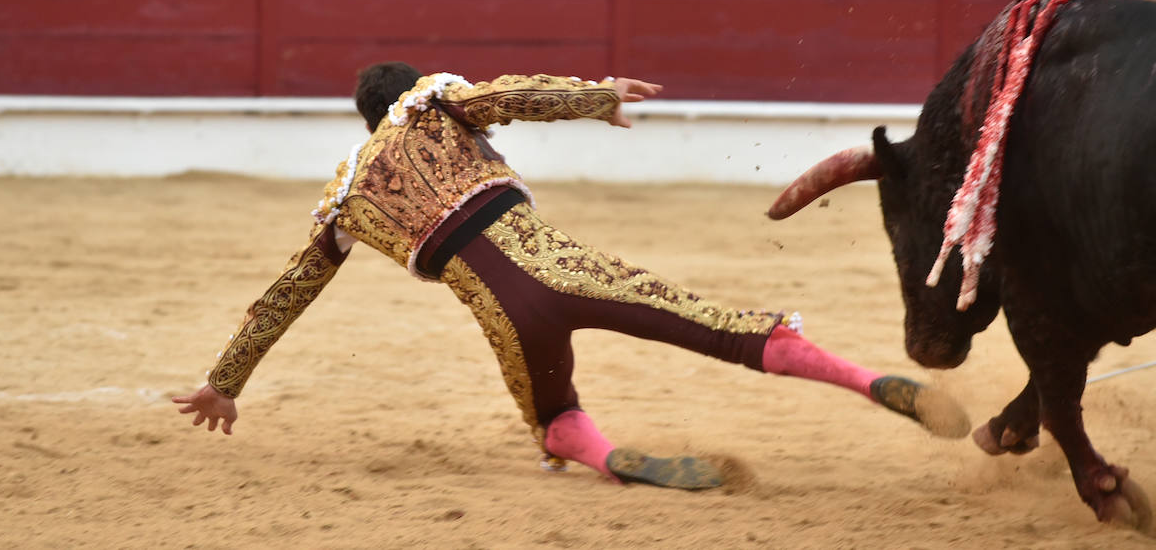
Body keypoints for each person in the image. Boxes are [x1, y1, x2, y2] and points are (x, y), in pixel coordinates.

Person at [174, 65, 967, 489]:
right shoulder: (432, 104)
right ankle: (869, 384)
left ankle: (597, 454)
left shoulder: (345, 198)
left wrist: (225, 380)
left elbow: (287, 292)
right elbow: (506, 96)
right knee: (723, 328)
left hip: (503, 316)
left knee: (553, 416)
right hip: (570, 268)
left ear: (362, 122)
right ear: (410, 89)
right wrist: (595, 97)